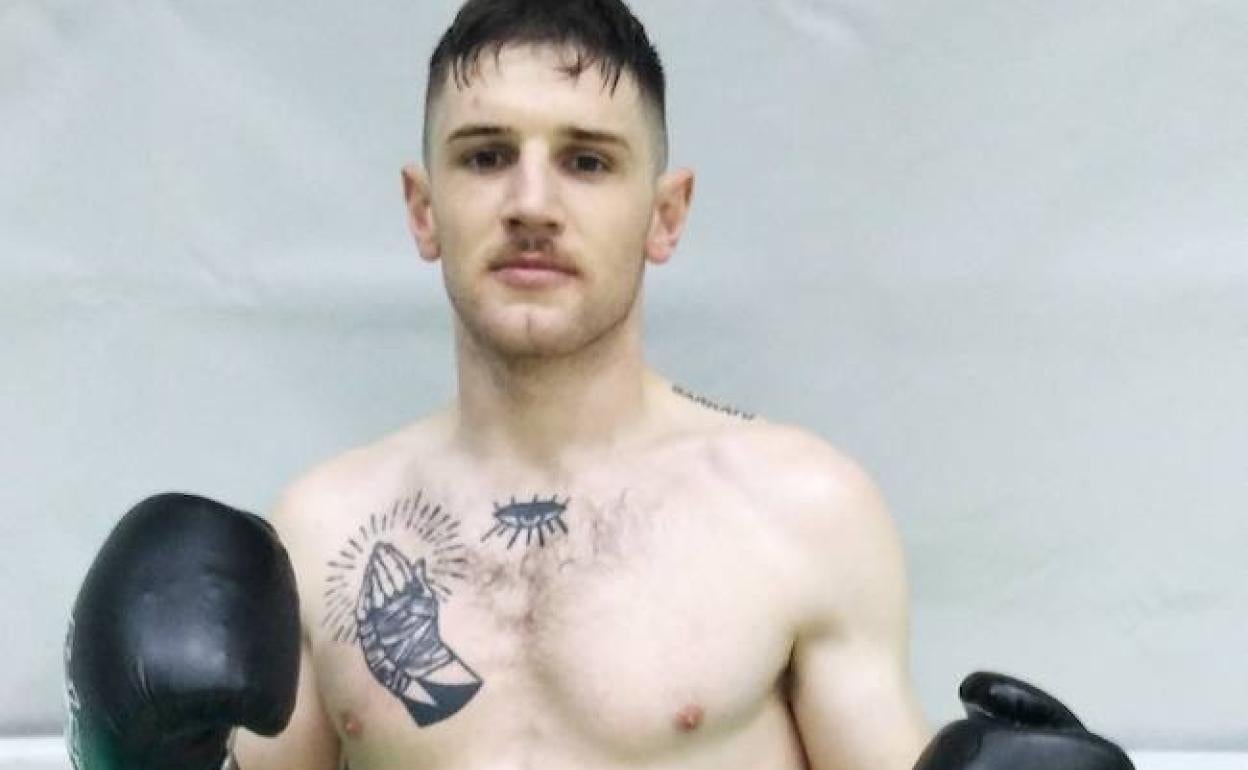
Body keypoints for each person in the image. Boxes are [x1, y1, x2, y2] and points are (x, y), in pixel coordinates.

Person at [63, 2, 1135, 769]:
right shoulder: (320, 529)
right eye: (485, 155)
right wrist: (126, 759)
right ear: (423, 209)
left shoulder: (802, 512)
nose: (532, 202)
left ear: (666, 213)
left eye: (587, 160)